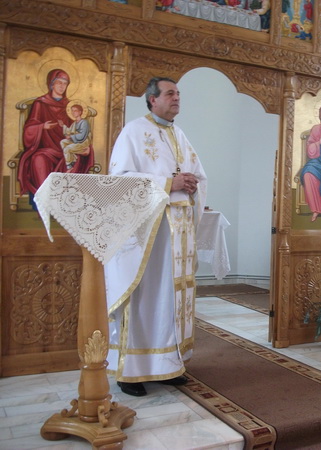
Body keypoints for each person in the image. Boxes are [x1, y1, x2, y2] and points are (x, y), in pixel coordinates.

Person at [104, 77, 208, 397]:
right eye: (170, 93)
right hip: (147, 235)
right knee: (144, 298)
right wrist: (168, 184)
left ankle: (166, 365)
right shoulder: (134, 132)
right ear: (152, 99)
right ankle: (131, 372)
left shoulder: (179, 134)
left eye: (178, 94)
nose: (177, 98)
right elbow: (120, 181)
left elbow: (198, 175)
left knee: (170, 299)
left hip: (176, 236)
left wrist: (193, 184)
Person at [17, 68, 95, 196]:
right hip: (45, 149)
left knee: (77, 157)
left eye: (65, 83)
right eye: (59, 82)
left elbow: (79, 131)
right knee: (38, 159)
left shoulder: (70, 106)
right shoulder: (40, 103)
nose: (62, 86)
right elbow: (29, 128)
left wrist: (87, 147)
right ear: (51, 84)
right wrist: (42, 127)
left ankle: (67, 200)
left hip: (66, 146)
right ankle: (46, 198)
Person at [59, 102, 92, 171]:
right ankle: (73, 158)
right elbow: (69, 131)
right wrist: (63, 126)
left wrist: (71, 137)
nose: (73, 113)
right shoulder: (75, 123)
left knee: (67, 149)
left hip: (83, 142)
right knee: (62, 142)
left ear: (80, 112)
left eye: (75, 111)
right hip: (76, 140)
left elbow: (82, 135)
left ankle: (69, 166)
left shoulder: (84, 122)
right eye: (72, 111)